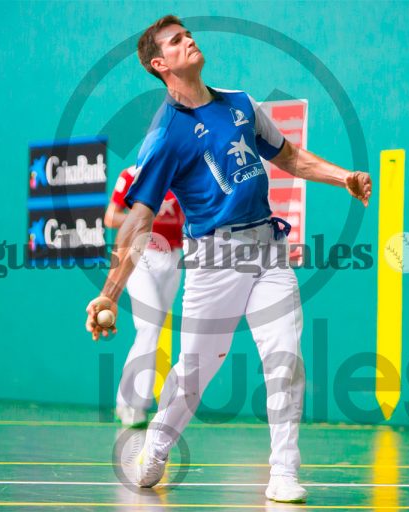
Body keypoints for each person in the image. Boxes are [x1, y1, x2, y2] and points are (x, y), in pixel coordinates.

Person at [85, 14, 372, 503]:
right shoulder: (165, 134)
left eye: (188, 35)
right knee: (194, 374)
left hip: (269, 251)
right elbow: (138, 219)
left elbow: (288, 157)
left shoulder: (241, 104)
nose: (189, 41)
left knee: (285, 358)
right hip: (214, 261)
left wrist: (341, 176)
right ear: (160, 64)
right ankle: (156, 443)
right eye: (177, 42)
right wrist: (109, 292)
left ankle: (283, 471)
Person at [104, 165, 184, 427]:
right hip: (141, 256)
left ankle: (132, 403)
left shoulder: (183, 177)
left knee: (155, 328)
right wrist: (145, 220)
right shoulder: (131, 176)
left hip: (173, 259)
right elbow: (111, 217)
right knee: (149, 326)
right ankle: (130, 403)